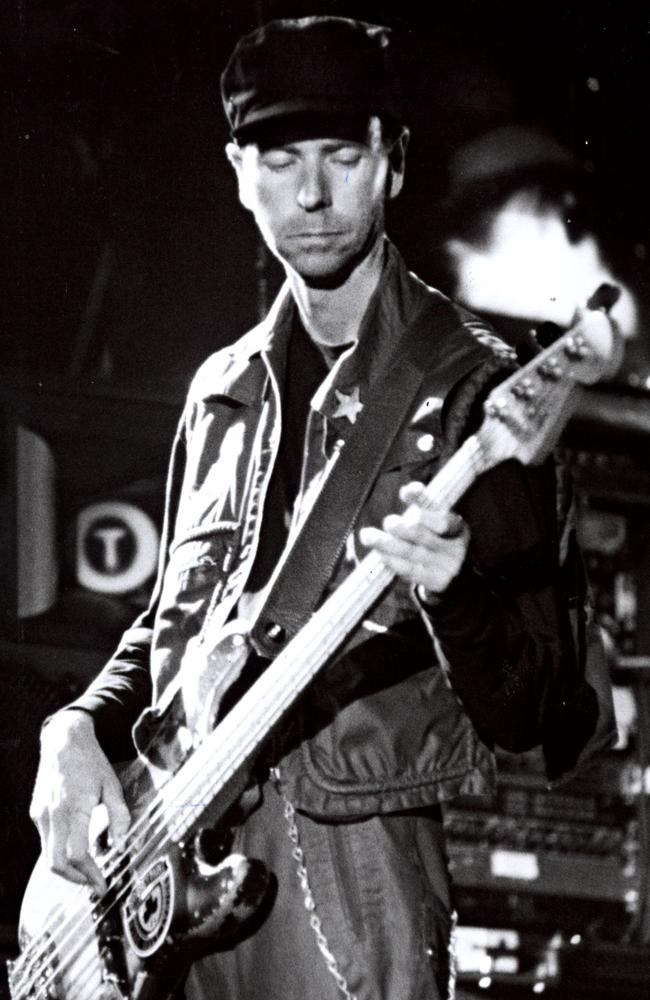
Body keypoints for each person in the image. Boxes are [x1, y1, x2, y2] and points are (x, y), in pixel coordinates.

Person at [28, 16, 611, 1000]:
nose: (310, 195)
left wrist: (454, 586)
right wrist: (78, 724)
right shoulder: (220, 391)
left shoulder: (474, 390)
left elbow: (540, 719)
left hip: (347, 878)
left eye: (341, 157)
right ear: (236, 170)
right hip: (161, 875)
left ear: (391, 162)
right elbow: (178, 622)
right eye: (279, 160)